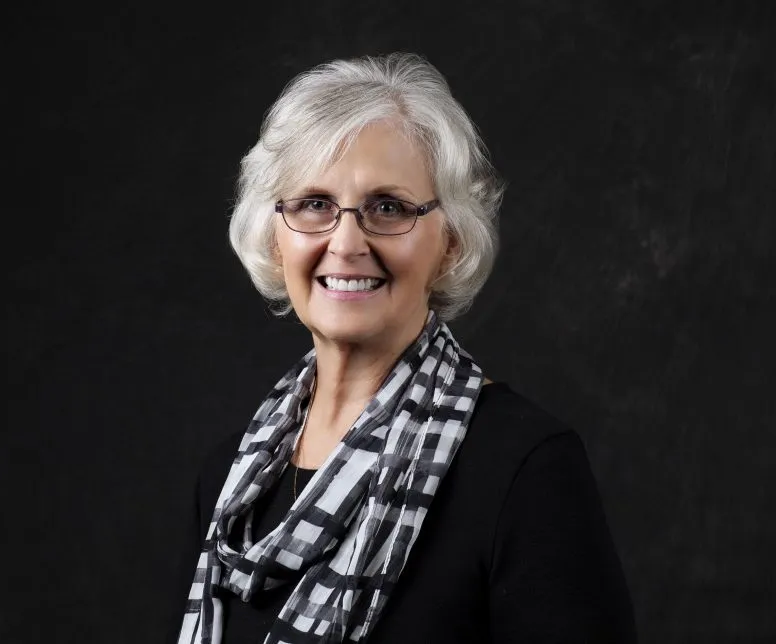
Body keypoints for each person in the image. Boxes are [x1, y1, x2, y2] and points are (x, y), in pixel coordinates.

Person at [172, 53, 636, 643]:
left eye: (387, 207)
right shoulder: (229, 481)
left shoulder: (524, 469)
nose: (346, 242)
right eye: (314, 203)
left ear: (451, 241)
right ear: (273, 233)